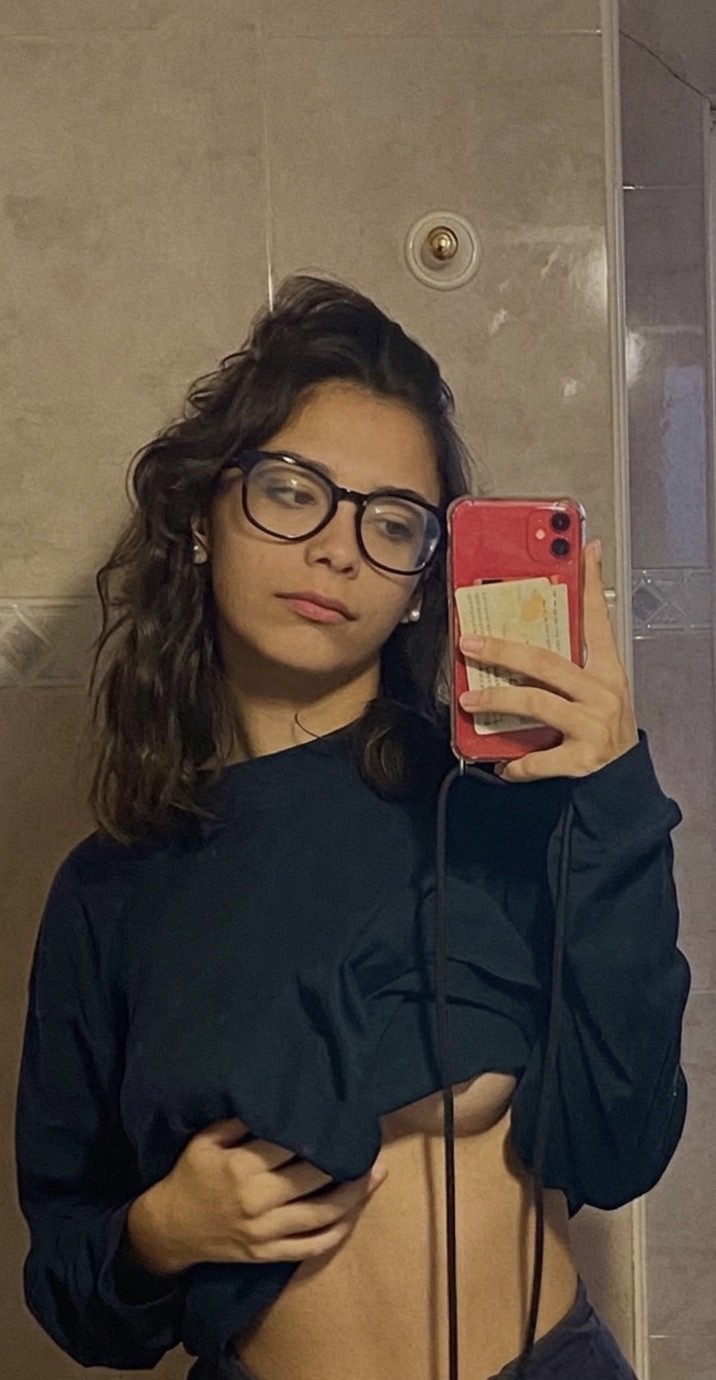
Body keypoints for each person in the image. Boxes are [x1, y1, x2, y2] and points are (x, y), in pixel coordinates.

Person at [14, 274, 690, 1380]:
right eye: (293, 492)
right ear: (203, 518)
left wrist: (612, 793)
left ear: (422, 581)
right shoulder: (111, 890)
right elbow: (73, 1288)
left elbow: (621, 1150)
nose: (338, 549)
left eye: (391, 522)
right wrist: (161, 1232)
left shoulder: (493, 812)